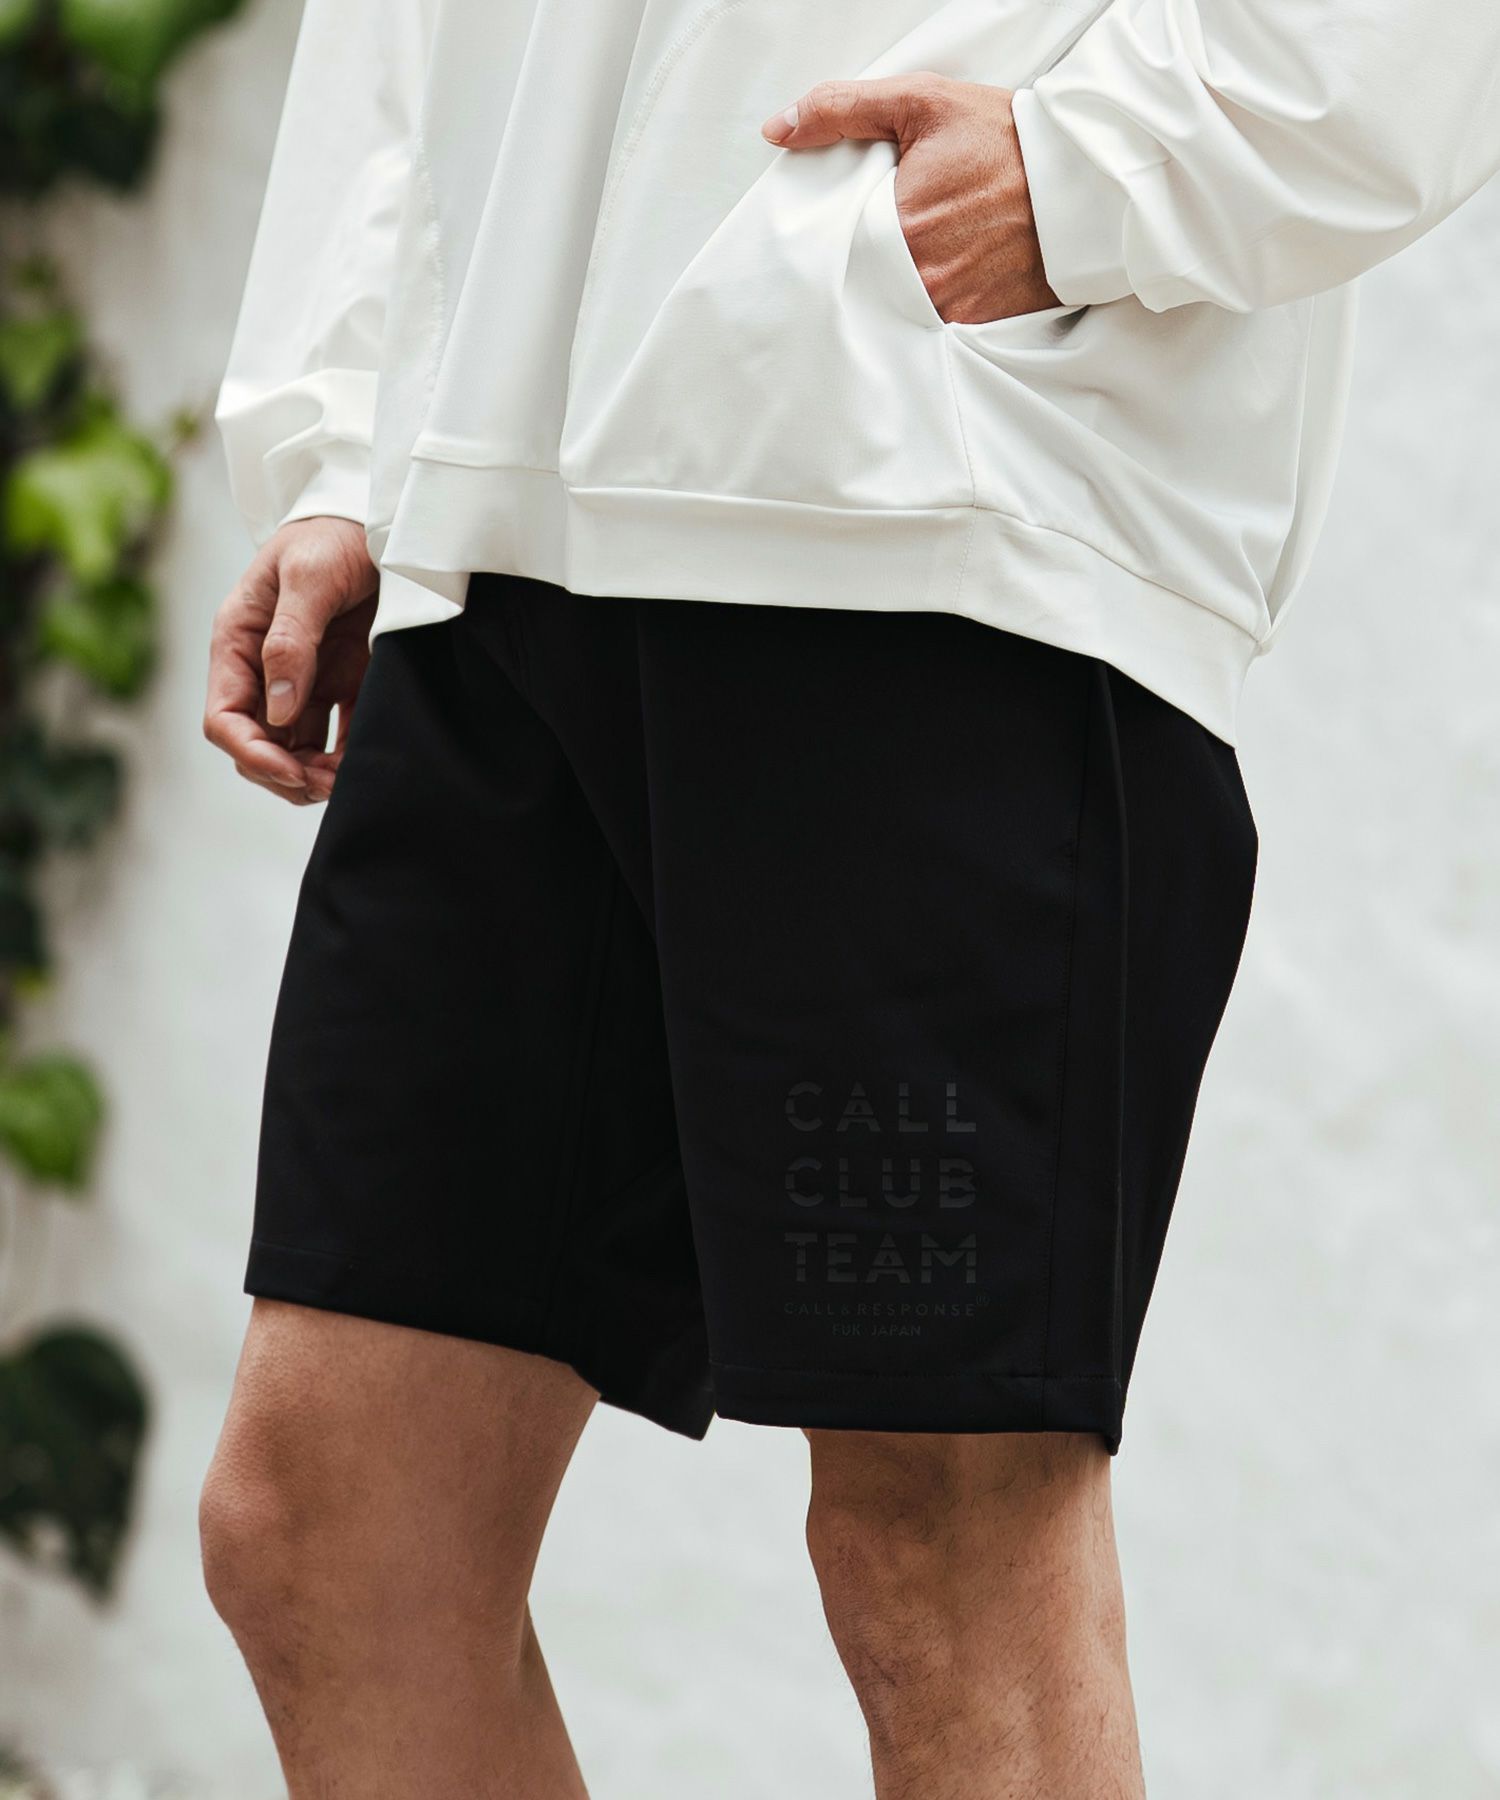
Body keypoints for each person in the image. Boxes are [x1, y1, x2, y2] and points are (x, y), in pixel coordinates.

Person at [197, 0, 1500, 1792]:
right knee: (330, 1524)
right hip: (492, 512)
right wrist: (344, 431)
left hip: (933, 522)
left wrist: (1087, 171)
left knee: (936, 1553)